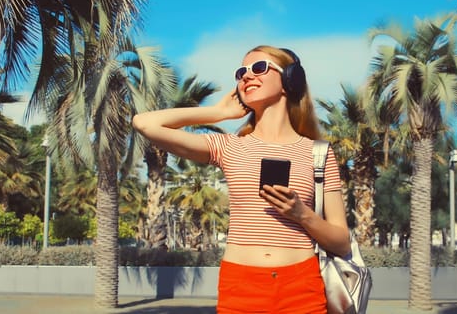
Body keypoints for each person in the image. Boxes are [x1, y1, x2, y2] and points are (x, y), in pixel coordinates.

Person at [132, 45, 350, 313]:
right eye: (241, 72)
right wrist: (218, 113)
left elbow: (341, 241)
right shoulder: (229, 146)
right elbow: (144, 123)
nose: (246, 77)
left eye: (259, 68)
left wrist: (302, 214)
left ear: (290, 80)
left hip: (301, 287)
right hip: (241, 286)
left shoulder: (319, 153)